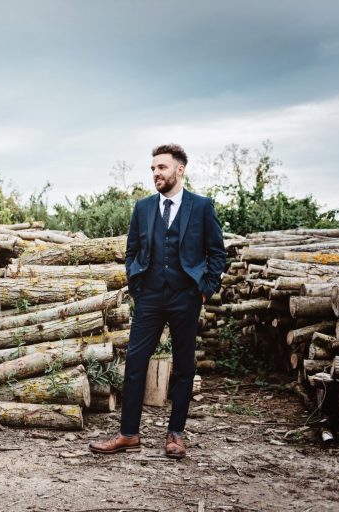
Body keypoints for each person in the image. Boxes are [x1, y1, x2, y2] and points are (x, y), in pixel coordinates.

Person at [90, 143, 226, 459]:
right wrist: (137, 285)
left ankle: (175, 435)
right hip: (149, 296)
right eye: (153, 168)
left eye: (161, 167)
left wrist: (205, 289)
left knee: (183, 365)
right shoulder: (143, 208)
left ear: (180, 170)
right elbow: (132, 251)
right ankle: (128, 434)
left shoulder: (202, 206)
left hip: (186, 297)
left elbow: (217, 253)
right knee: (136, 362)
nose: (156, 173)